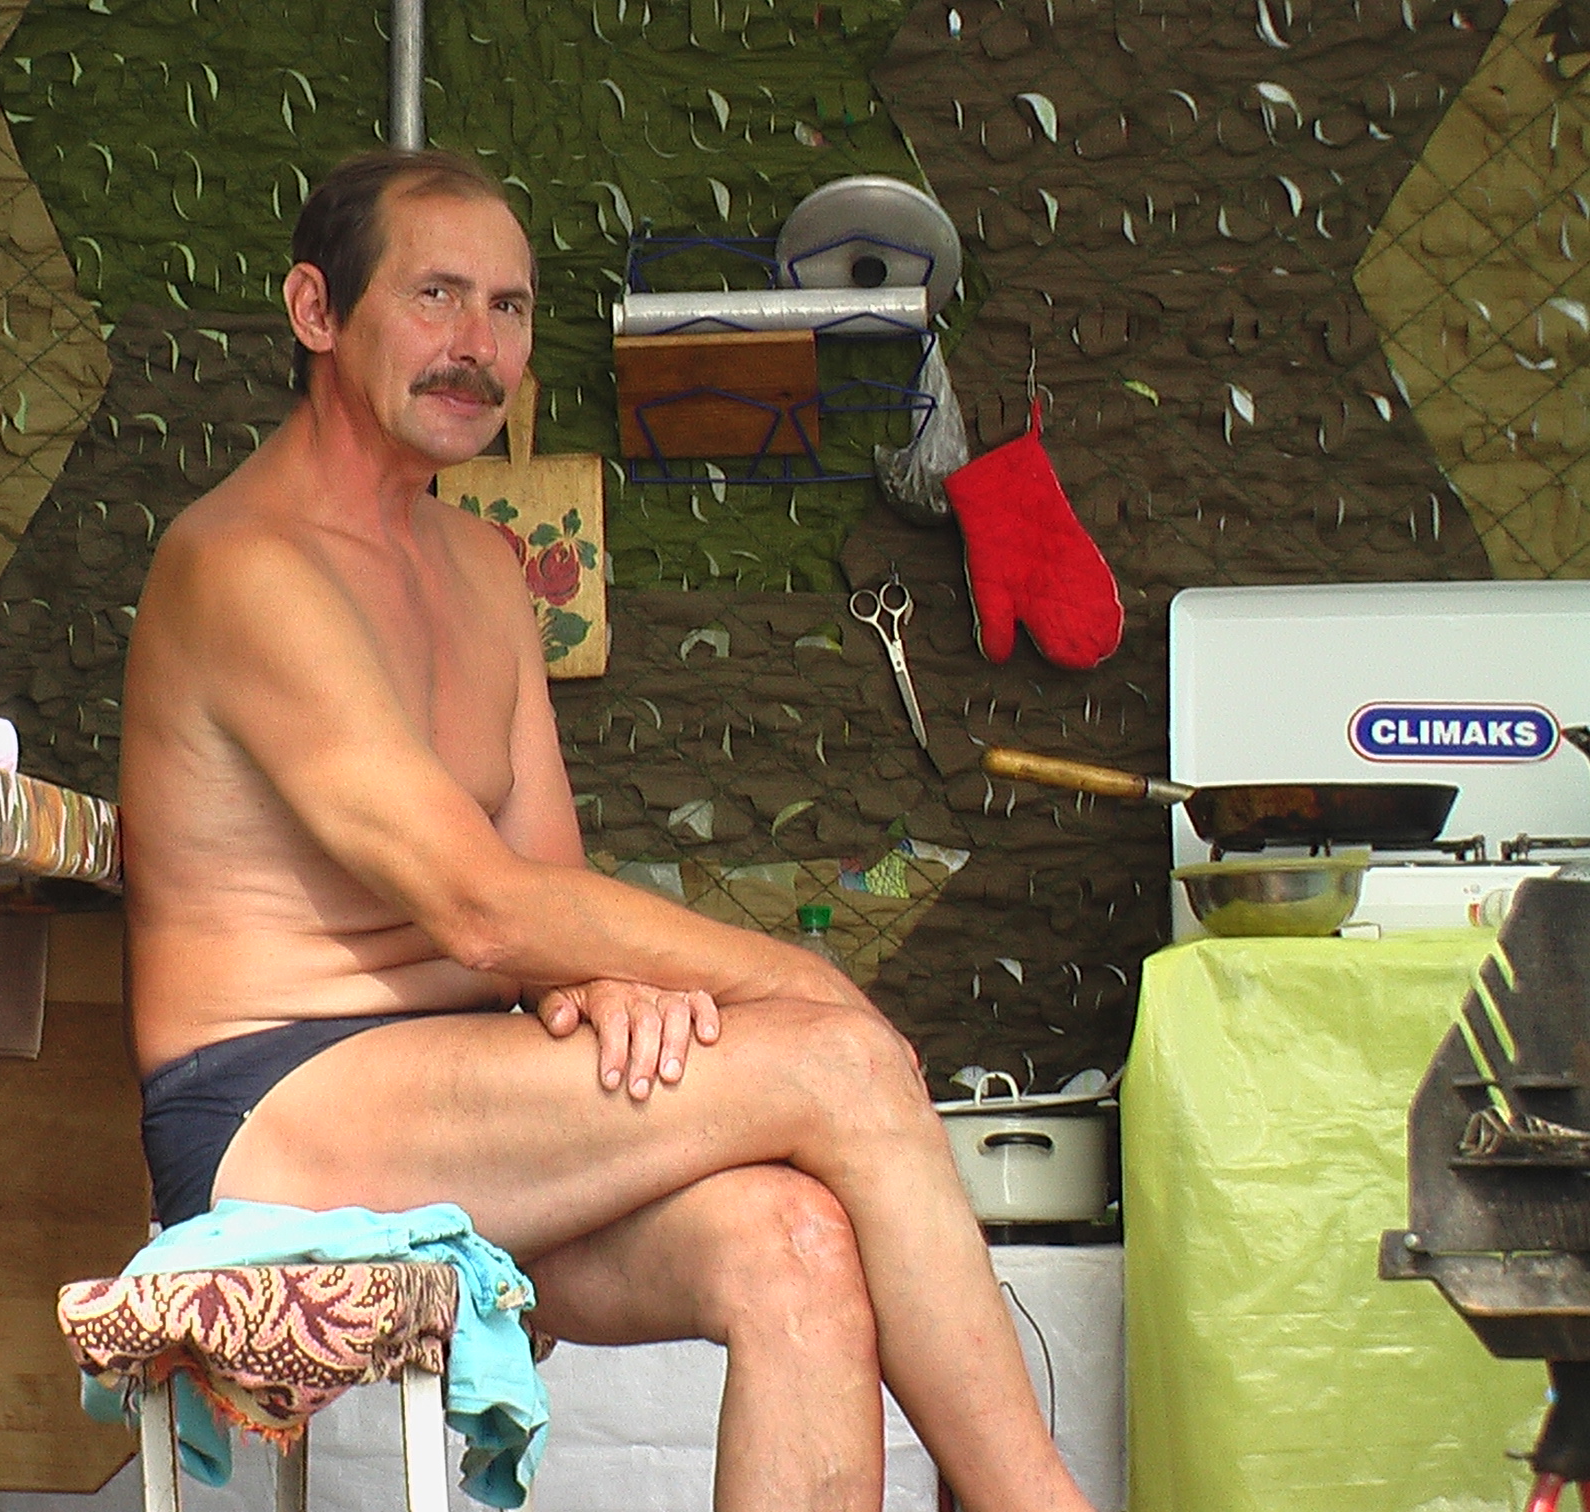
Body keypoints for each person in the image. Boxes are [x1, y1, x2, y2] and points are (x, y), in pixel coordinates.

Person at [118, 147, 1098, 1512]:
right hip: (273, 1105)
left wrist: (611, 988)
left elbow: (548, 894)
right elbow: (484, 911)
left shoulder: (485, 569)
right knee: (843, 1063)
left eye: (510, 307)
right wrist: (796, 985)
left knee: (796, 1242)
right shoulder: (244, 564)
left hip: (480, 1089)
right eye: (436, 295)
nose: (478, 346)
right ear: (316, 311)